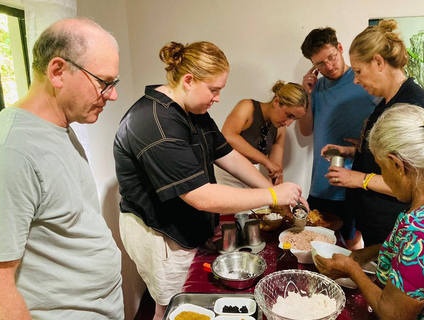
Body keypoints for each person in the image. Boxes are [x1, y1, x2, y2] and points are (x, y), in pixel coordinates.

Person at [114, 41, 305, 320]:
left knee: (181, 301)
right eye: (214, 90)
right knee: (170, 307)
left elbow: (229, 156)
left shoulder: (195, 113)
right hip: (158, 231)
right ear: (189, 80)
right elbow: (200, 195)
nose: (217, 98)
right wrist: (274, 197)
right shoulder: (155, 122)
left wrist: (272, 188)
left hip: (182, 224)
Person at [0, 18, 123, 319]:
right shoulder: (10, 151)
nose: (112, 95)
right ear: (58, 72)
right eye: (103, 82)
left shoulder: (60, 127)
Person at [315, 104, 424, 320]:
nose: (382, 175)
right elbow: (415, 253)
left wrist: (352, 270)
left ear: (397, 165)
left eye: (380, 167)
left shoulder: (422, 232)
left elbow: (393, 313)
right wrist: (365, 254)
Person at [321, 19, 424, 246]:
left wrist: (359, 179)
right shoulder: (385, 104)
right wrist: (351, 152)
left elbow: (419, 180)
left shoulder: (416, 106)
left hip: (394, 224)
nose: (356, 80)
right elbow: (388, 155)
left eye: (358, 71)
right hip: (373, 221)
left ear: (378, 62)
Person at [299, 27, 376, 249]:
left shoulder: (362, 80)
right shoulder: (318, 86)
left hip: (355, 179)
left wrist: (365, 144)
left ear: (340, 48)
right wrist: (307, 94)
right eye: (320, 64)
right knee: (316, 241)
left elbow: (385, 121)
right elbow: (305, 130)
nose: (328, 67)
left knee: (350, 242)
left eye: (331, 57)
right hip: (321, 183)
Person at [215, 80, 308, 189]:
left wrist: (281, 194)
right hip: (225, 174)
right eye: (289, 115)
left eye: (294, 119)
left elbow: (276, 170)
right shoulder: (248, 107)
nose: (288, 123)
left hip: (250, 177)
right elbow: (228, 136)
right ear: (276, 102)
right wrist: (265, 161)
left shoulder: (280, 129)